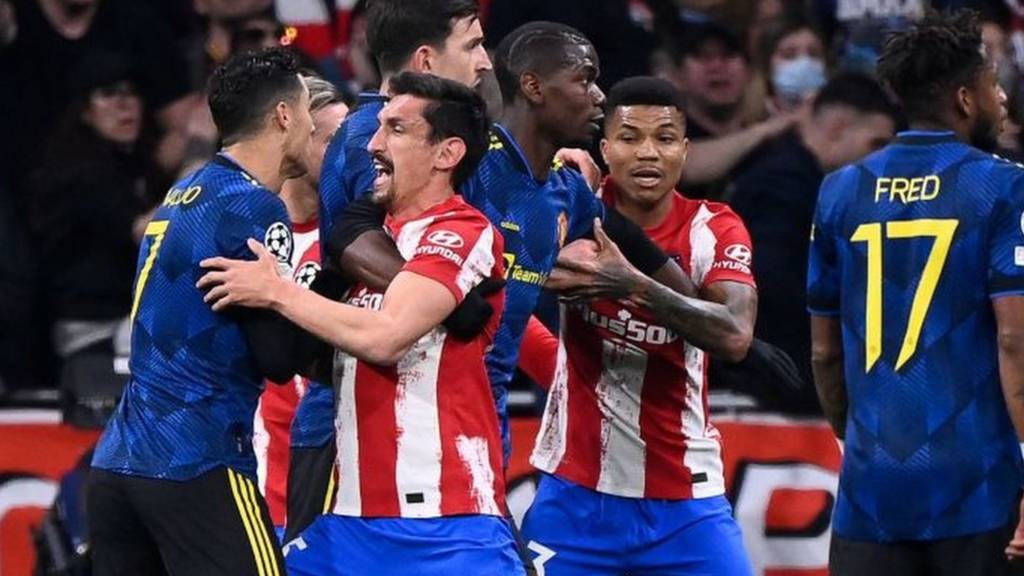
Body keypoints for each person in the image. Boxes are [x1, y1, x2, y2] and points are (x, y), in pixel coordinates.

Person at [198, 71, 523, 576]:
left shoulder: (463, 231)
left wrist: (277, 292)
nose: (371, 143)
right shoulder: (363, 245)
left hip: (447, 525)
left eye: (394, 129)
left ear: (447, 153)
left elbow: (388, 337)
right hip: (348, 521)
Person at [807, 10, 1024, 576]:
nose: (1002, 99)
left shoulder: (839, 190)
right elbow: (1015, 341)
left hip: (870, 490)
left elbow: (824, 352)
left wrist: (853, 439)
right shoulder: (1005, 187)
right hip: (978, 488)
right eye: (993, 84)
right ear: (965, 98)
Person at [516, 76, 757, 575]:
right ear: (604, 148)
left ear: (685, 151)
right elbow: (502, 291)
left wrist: (634, 285)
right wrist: (561, 370)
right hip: (574, 501)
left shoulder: (713, 227)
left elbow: (734, 334)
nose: (647, 153)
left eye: (665, 138)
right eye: (629, 138)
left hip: (686, 505)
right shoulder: (569, 209)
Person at [86, 47, 314, 576]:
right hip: (196, 462)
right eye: (305, 112)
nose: (307, 128)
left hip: (120, 465)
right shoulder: (255, 206)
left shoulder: (185, 190)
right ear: (283, 116)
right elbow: (279, 358)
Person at [284, 0, 495, 542]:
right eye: (471, 45)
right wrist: (458, 300)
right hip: (355, 432)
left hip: (448, 418)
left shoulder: (466, 142)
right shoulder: (373, 136)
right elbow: (350, 236)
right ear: (426, 60)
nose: (485, 62)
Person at [730, 73, 896, 412]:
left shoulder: (802, 181)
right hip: (774, 390)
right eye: (876, 145)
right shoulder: (780, 186)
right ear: (837, 127)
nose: (884, 164)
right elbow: (772, 291)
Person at [27, 51, 164, 423]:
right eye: (109, 94)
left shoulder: (134, 164)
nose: (124, 104)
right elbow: (151, 233)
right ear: (86, 110)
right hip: (90, 334)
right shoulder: (78, 170)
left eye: (132, 93)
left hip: (126, 324)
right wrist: (200, 157)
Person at [252, 74, 348, 535]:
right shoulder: (248, 236)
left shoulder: (359, 246)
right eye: (333, 139)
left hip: (335, 469)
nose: (351, 154)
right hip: (260, 467)